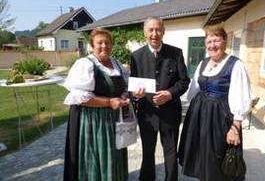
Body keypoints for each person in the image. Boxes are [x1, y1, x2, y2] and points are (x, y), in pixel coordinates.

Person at [178, 25, 251, 181]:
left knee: (217, 157)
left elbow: (241, 96)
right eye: (209, 41)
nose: (212, 45)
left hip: (220, 118)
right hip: (200, 117)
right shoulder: (203, 63)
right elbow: (193, 90)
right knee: (201, 156)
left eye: (216, 40)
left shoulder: (235, 65)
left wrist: (235, 127)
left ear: (225, 41)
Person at [63, 28, 129, 181]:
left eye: (107, 42)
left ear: (112, 45)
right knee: (100, 156)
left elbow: (124, 88)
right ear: (92, 45)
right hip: (95, 121)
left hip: (115, 120)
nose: (104, 46)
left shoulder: (117, 64)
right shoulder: (85, 64)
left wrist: (126, 95)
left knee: (115, 155)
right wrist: (109, 102)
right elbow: (80, 97)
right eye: (100, 43)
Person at [130, 16, 190, 181]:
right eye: (151, 30)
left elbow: (184, 81)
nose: (154, 34)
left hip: (170, 113)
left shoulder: (176, 53)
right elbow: (132, 86)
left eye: (158, 30)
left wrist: (170, 94)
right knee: (147, 152)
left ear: (163, 31)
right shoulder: (136, 56)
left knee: (170, 153)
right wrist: (135, 94)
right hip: (147, 115)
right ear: (145, 33)